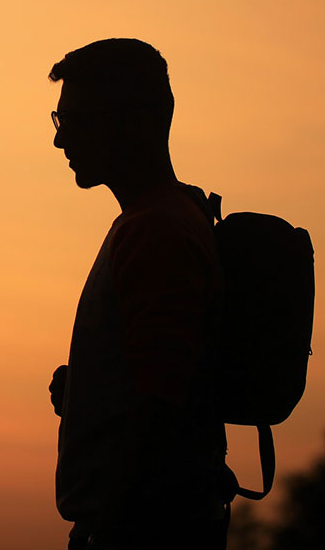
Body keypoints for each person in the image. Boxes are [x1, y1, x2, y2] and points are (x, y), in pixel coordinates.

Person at [47, 39, 228, 549]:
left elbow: (160, 403)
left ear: (135, 123)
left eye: (75, 121)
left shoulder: (156, 231)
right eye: (59, 121)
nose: (61, 140)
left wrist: (110, 530)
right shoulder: (163, 219)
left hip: (145, 528)